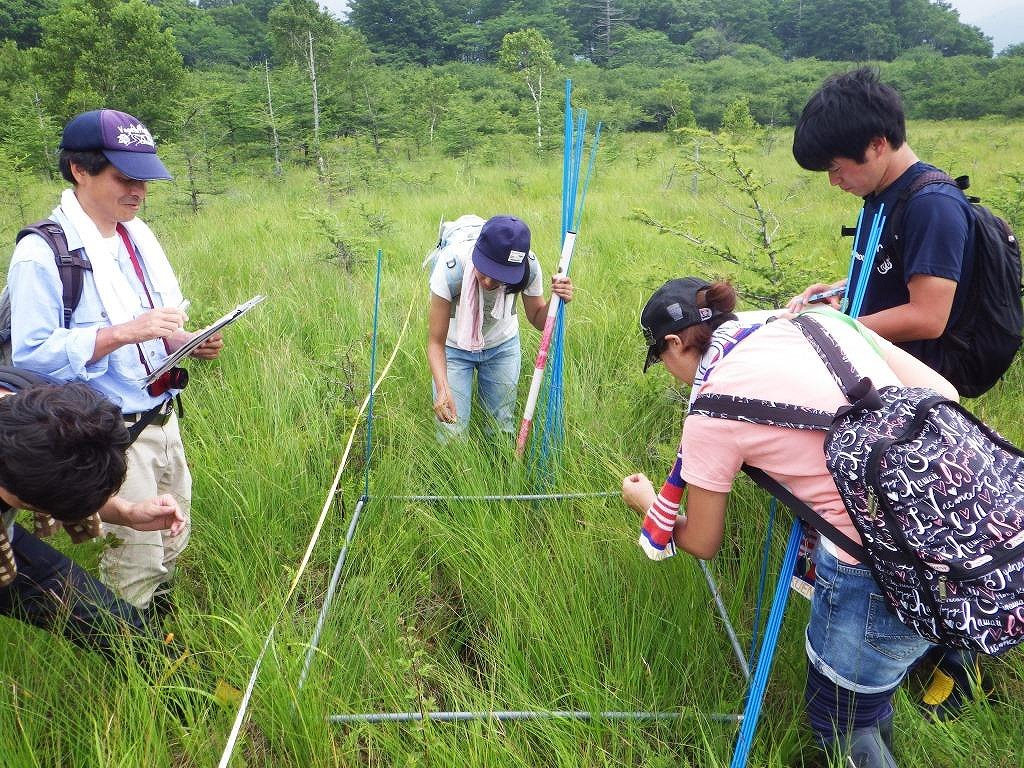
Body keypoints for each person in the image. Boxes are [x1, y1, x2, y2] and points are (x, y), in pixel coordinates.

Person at [622, 278, 958, 767]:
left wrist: (650, 502)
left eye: (661, 359)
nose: (668, 371)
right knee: (869, 698)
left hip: (877, 565)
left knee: (839, 719)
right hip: (961, 532)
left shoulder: (710, 414)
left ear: (674, 343)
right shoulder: (814, 321)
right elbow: (941, 393)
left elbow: (702, 541)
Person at [787, 68, 984, 720]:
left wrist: (835, 327)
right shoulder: (882, 201)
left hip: (919, 415)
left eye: (837, 167)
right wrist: (832, 297)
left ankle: (942, 668)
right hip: (883, 403)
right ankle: (875, 650)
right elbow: (882, 290)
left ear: (875, 145)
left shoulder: (931, 205)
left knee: (915, 549)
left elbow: (928, 314)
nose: (833, 181)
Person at [6, 108, 224, 616]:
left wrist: (186, 341)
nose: (138, 192)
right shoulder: (44, 253)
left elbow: (156, 328)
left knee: (172, 534)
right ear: (79, 170)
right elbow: (33, 354)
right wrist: (126, 331)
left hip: (163, 416)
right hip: (108, 431)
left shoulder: (136, 238)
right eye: (124, 178)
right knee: (134, 561)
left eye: (144, 180)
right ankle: (135, 653)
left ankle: (162, 626)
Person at [0, 374, 186, 665]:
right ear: (28, 502)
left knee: (118, 624)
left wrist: (126, 512)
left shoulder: (44, 404)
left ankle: (201, 695)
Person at [427, 215, 573, 438]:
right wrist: (442, 387)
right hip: (454, 349)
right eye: (485, 271)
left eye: (499, 278)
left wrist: (557, 299)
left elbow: (538, 319)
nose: (488, 283)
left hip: (502, 347)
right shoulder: (450, 268)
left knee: (500, 428)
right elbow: (436, 342)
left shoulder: (529, 267)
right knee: (451, 433)